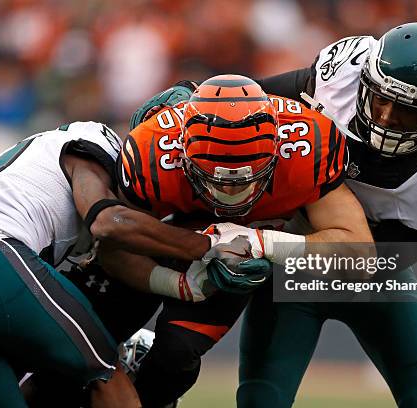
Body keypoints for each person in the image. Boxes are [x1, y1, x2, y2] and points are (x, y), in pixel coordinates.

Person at [130, 22, 417, 408]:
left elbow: (375, 263)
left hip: (361, 277)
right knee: (260, 399)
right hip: (287, 266)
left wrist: (268, 242)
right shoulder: (343, 75)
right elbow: (256, 98)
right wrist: (196, 101)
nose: (385, 117)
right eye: (379, 99)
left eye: (406, 111)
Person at [0, 121, 246, 407]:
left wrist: (181, 285)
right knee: (105, 374)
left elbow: (115, 253)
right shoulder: (95, 143)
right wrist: (209, 245)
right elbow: (108, 221)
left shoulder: (42, 171)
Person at [110, 74, 373, 407]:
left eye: (249, 178)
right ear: (182, 151)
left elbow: (360, 256)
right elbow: (112, 246)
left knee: (176, 354)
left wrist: (263, 242)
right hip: (168, 233)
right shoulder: (152, 148)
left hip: (247, 241)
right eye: (217, 179)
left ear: (279, 147)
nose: (231, 195)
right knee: (93, 333)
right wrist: (178, 284)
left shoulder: (308, 143)